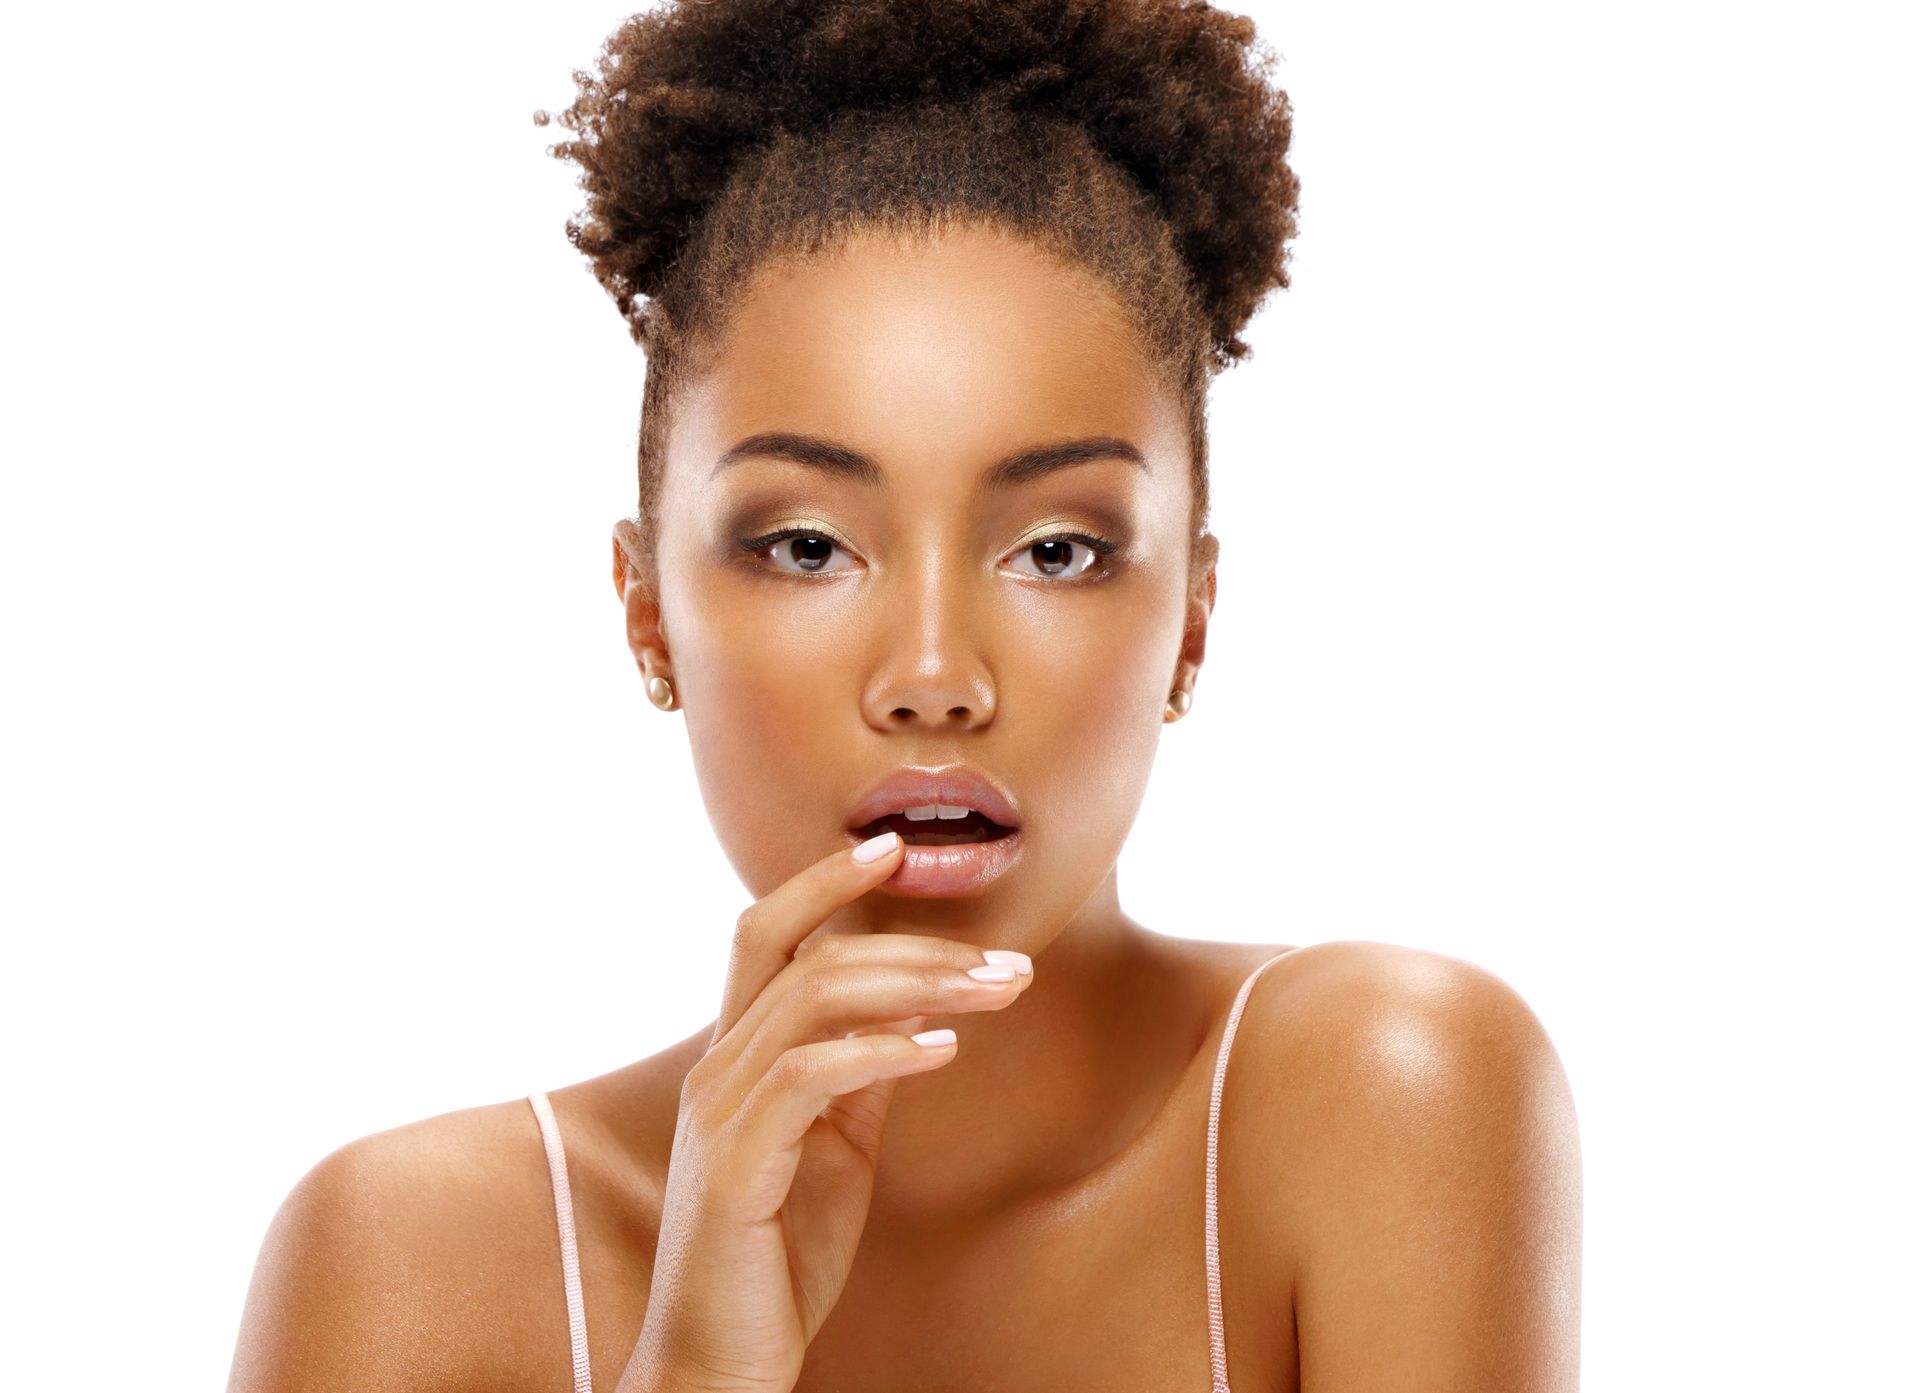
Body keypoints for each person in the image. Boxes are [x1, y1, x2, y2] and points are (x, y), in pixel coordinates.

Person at [227, 2, 1581, 1390]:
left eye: (1057, 549)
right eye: (807, 546)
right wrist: (689, 1370)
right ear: (648, 615)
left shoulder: (1382, 1096)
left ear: (1190, 620)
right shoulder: (407, 1266)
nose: (935, 678)